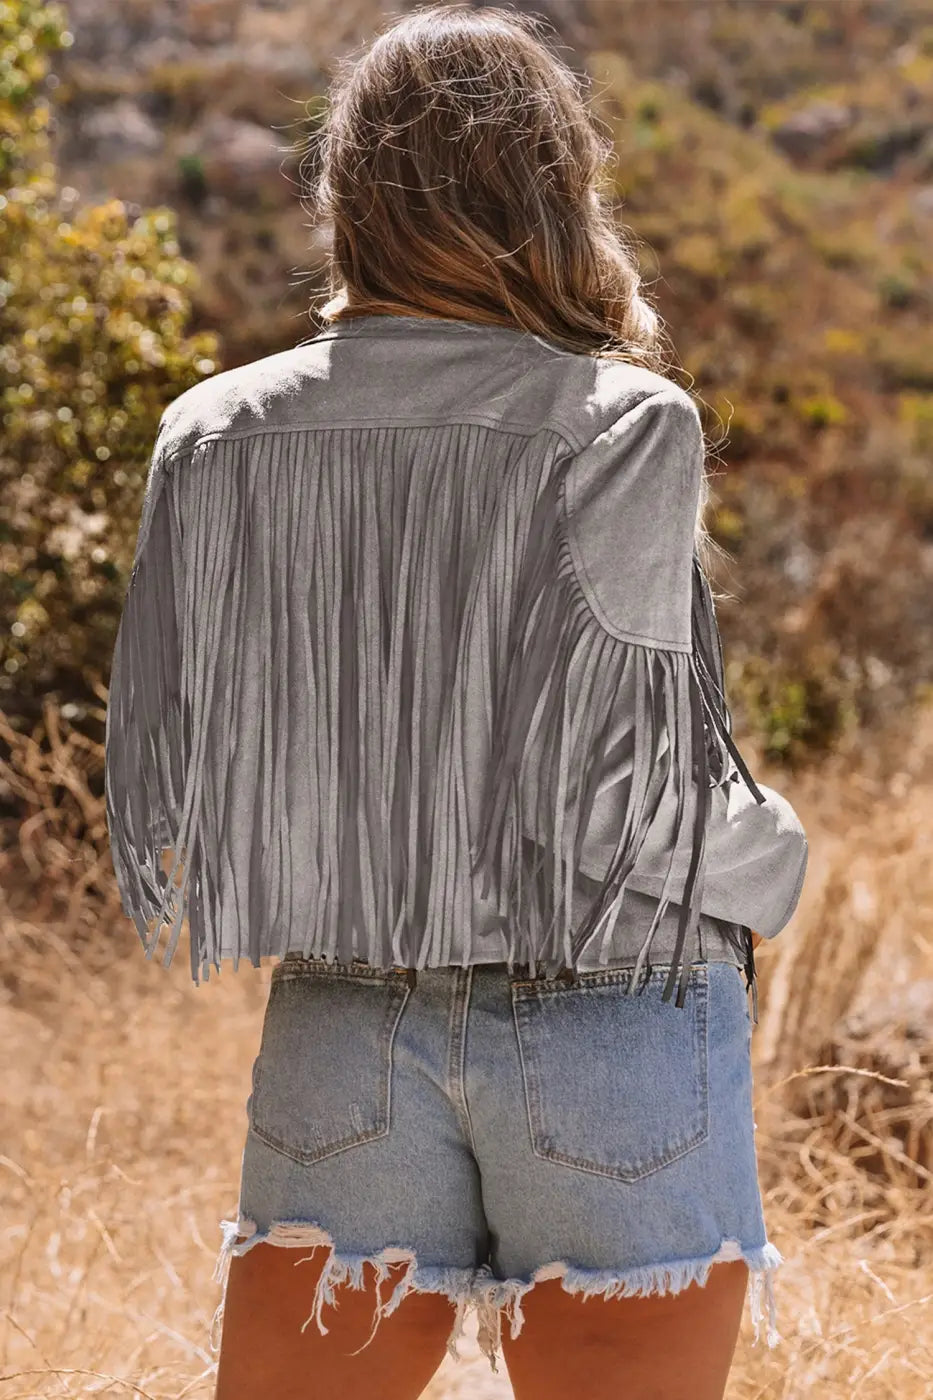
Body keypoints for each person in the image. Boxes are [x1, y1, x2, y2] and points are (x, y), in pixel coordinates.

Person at [104, 6, 809, 1397]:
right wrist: (772, 857)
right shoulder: (618, 424)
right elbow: (604, 797)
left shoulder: (214, 434)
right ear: (554, 189)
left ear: (346, 192)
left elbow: (185, 777)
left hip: (339, 1021)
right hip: (602, 1022)